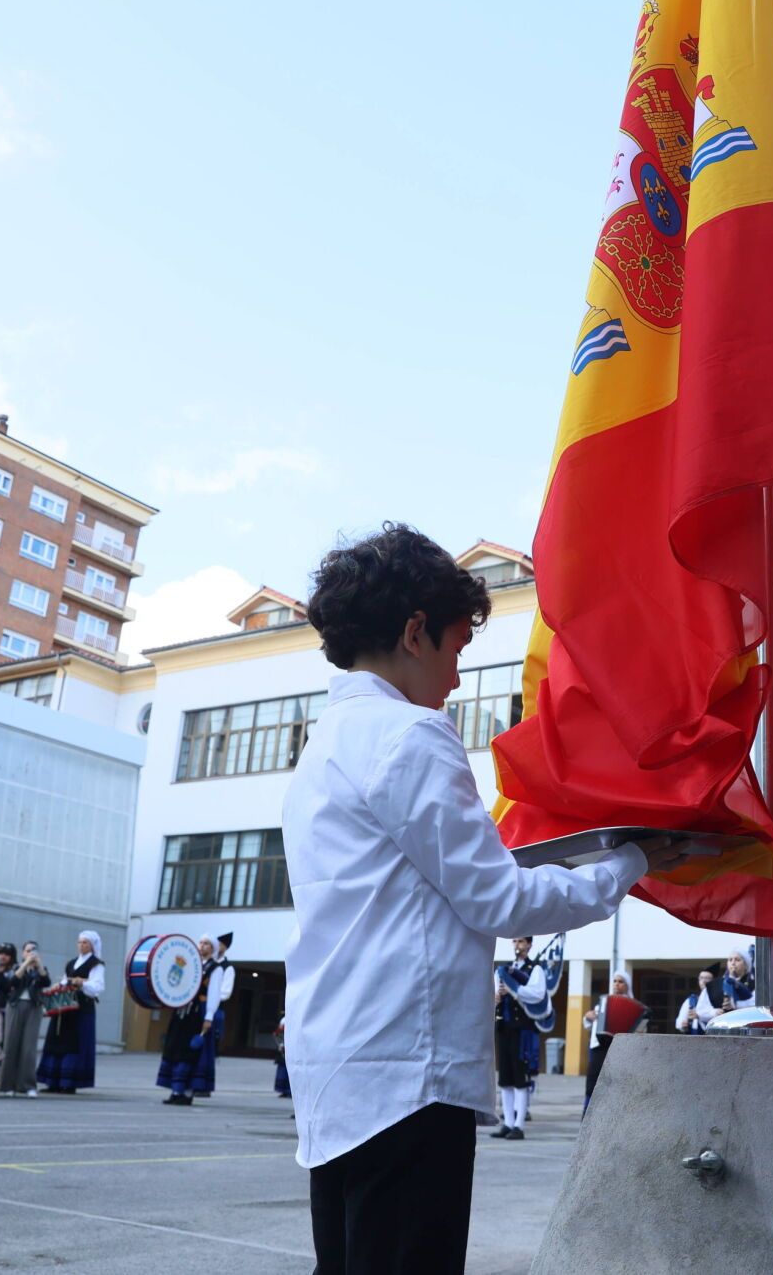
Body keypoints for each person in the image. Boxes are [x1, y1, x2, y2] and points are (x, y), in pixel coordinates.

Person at [281, 525, 679, 1275]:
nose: (458, 678)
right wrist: (626, 861)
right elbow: (500, 899)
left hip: (337, 1064)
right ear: (413, 632)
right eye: (456, 649)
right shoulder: (410, 736)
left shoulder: (323, 744)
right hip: (406, 1072)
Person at [158, 933, 233, 1106]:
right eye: (200, 942)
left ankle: (187, 1092)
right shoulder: (192, 964)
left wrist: (209, 1016)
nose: (202, 946)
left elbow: (214, 994)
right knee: (176, 1049)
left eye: (207, 943)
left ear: (213, 948)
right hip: (183, 1012)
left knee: (191, 1053)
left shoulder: (216, 968)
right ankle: (175, 1090)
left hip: (199, 1013)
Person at [36, 931, 106, 1094]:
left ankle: (69, 1082)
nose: (81, 945)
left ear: (92, 945)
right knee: (57, 1039)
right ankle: (53, 1081)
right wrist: (58, 986)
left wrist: (81, 984)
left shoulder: (97, 964)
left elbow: (98, 987)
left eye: (85, 943)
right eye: (79, 942)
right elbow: (64, 981)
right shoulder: (71, 963)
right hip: (64, 1008)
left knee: (74, 1044)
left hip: (81, 1009)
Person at [491, 937, 541, 1140]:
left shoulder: (535, 969)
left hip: (522, 1029)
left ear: (529, 945)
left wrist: (512, 990)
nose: (517, 946)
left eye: (521, 942)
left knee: (521, 1078)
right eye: (514, 942)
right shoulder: (504, 970)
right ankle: (508, 1123)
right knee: (505, 1078)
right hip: (504, 1027)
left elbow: (537, 994)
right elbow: (495, 992)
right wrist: (496, 995)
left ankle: (519, 1125)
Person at [0, 940, 51, 1097]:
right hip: (15, 1005)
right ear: (23, 953)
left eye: (34, 950)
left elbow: (45, 982)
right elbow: (13, 981)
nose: (31, 953)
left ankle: (27, 1085)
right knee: (11, 1044)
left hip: (33, 1007)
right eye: (28, 950)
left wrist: (38, 965)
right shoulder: (16, 967)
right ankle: (7, 1085)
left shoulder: (41, 969)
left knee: (29, 1048)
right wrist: (25, 964)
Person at [581, 969, 642, 1109]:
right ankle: (587, 1113)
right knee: (593, 1083)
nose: (617, 984)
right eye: (615, 981)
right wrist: (588, 1017)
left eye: (621, 982)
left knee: (616, 1084)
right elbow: (589, 1024)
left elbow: (639, 1029)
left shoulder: (634, 1006)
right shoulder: (602, 1004)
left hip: (621, 1050)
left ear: (627, 985)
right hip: (599, 1048)